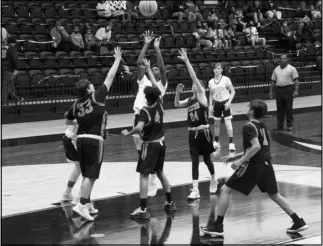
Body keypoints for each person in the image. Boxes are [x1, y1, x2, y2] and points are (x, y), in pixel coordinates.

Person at [200, 99, 308, 236]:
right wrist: (236, 156)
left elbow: (256, 146)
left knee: (225, 190)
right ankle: (298, 221)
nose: (247, 107)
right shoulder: (262, 126)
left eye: (249, 106)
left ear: (252, 111)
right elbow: (262, 146)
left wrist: (241, 161)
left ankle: (217, 226)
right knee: (274, 194)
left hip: (254, 164)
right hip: (266, 163)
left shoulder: (248, 126)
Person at [64, 46, 123, 221]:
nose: (93, 85)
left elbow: (67, 120)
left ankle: (86, 202)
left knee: (86, 173)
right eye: (91, 85)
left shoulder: (76, 104)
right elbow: (110, 77)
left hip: (80, 140)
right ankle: (81, 205)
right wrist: (117, 60)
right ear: (89, 90)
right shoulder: (96, 97)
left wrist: (80, 120)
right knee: (91, 175)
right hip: (93, 140)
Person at [121, 76, 177, 219]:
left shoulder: (144, 111)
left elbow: (139, 127)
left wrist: (128, 133)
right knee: (160, 171)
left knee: (144, 175)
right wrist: (150, 71)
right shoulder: (159, 105)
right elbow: (157, 90)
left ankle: (143, 208)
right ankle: (170, 202)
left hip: (150, 145)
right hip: (161, 143)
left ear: (146, 97)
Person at [174, 48, 218, 201]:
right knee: (194, 161)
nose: (194, 84)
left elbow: (193, 75)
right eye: (193, 83)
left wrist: (186, 61)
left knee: (207, 160)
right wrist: (178, 92)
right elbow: (176, 104)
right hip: (192, 133)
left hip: (203, 132)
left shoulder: (201, 96)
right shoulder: (190, 100)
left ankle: (213, 179)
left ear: (201, 87)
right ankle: (195, 189)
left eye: (197, 83)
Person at [132, 31, 168, 198]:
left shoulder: (161, 84)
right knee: (141, 151)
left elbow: (161, 67)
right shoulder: (143, 80)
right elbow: (139, 62)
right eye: (151, 68)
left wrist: (157, 48)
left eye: (156, 69)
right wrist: (146, 44)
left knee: (150, 148)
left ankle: (152, 176)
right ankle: (150, 174)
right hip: (139, 115)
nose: (154, 69)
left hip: (152, 119)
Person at [208, 63, 236, 152]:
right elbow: (211, 94)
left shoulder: (226, 79)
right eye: (215, 68)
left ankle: (231, 143)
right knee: (216, 124)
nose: (217, 70)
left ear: (221, 70)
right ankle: (216, 142)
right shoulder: (211, 82)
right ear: (213, 70)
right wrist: (210, 105)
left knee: (228, 123)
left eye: (218, 68)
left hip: (225, 103)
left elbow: (233, 91)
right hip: (216, 104)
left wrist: (229, 102)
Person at [269, 54, 299, 132]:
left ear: (287, 60)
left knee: (288, 108)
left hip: (288, 89)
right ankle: (280, 125)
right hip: (278, 90)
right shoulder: (276, 69)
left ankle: (289, 125)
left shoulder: (292, 69)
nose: (282, 60)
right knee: (279, 109)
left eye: (284, 58)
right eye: (281, 58)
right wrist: (271, 91)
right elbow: (273, 81)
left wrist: (296, 91)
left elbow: (296, 81)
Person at [61, 124, 82, 205]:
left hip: (68, 138)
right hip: (75, 141)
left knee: (78, 169)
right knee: (87, 172)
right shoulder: (89, 113)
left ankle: (67, 194)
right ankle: (80, 199)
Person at [1, 36, 23, 105]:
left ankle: (16, 98)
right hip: (8, 69)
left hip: (2, 68)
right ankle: (3, 102)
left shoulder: (3, 47)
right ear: (14, 42)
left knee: (9, 84)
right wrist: (16, 69)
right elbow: (15, 59)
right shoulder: (12, 48)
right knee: (6, 85)